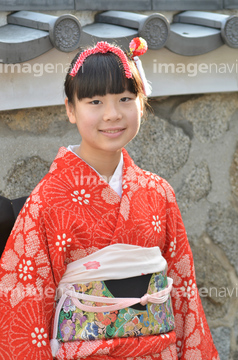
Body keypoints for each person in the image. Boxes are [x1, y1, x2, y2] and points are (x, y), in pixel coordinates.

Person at [0, 39, 219, 360]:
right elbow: (23, 301)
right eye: (95, 102)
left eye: (126, 98)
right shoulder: (47, 200)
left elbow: (184, 290)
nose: (113, 114)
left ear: (141, 104)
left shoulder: (159, 193)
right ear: (70, 109)